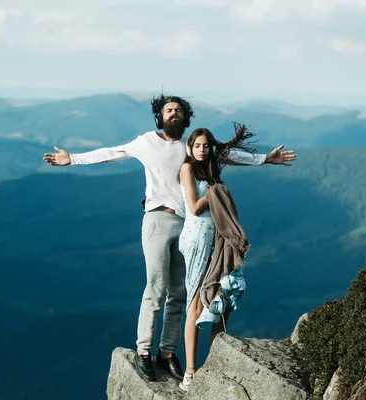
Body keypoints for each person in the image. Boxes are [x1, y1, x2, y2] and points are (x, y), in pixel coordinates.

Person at [43, 94, 296, 382]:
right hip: (157, 220)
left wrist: (266, 159)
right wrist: (72, 159)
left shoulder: (190, 148)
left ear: (186, 119)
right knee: (156, 287)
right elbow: (112, 152)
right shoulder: (146, 142)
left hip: (187, 225)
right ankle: (143, 352)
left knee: (180, 292)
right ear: (159, 117)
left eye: (179, 111)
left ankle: (167, 352)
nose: (174, 113)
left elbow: (224, 154)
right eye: (169, 110)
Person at [177, 125, 261, 392]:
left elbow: (237, 156)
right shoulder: (187, 169)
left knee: (220, 294)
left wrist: (267, 159)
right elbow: (193, 205)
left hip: (215, 238)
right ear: (189, 147)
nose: (201, 150)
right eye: (197, 145)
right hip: (197, 239)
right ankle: (190, 372)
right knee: (194, 303)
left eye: (206, 145)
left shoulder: (210, 170)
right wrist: (216, 193)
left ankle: (216, 363)